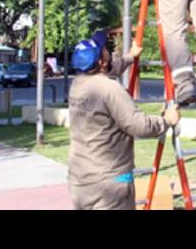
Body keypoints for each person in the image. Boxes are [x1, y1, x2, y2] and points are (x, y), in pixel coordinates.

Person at [67, 29, 180, 210]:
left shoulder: (78, 84)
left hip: (80, 180)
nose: (109, 50)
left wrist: (130, 57)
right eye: (105, 49)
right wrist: (166, 120)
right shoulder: (110, 89)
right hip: (109, 183)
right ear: (101, 61)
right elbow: (137, 125)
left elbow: (109, 69)